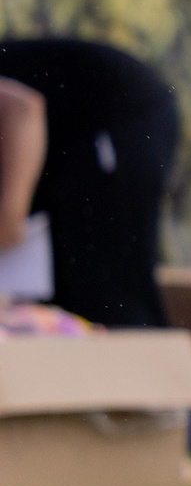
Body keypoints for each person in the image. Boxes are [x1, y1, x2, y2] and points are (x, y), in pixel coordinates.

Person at [0, 38, 181, 327]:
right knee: (72, 292)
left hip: (119, 109)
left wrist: (9, 217)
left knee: (107, 288)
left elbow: (22, 109)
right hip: (77, 135)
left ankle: (158, 368)